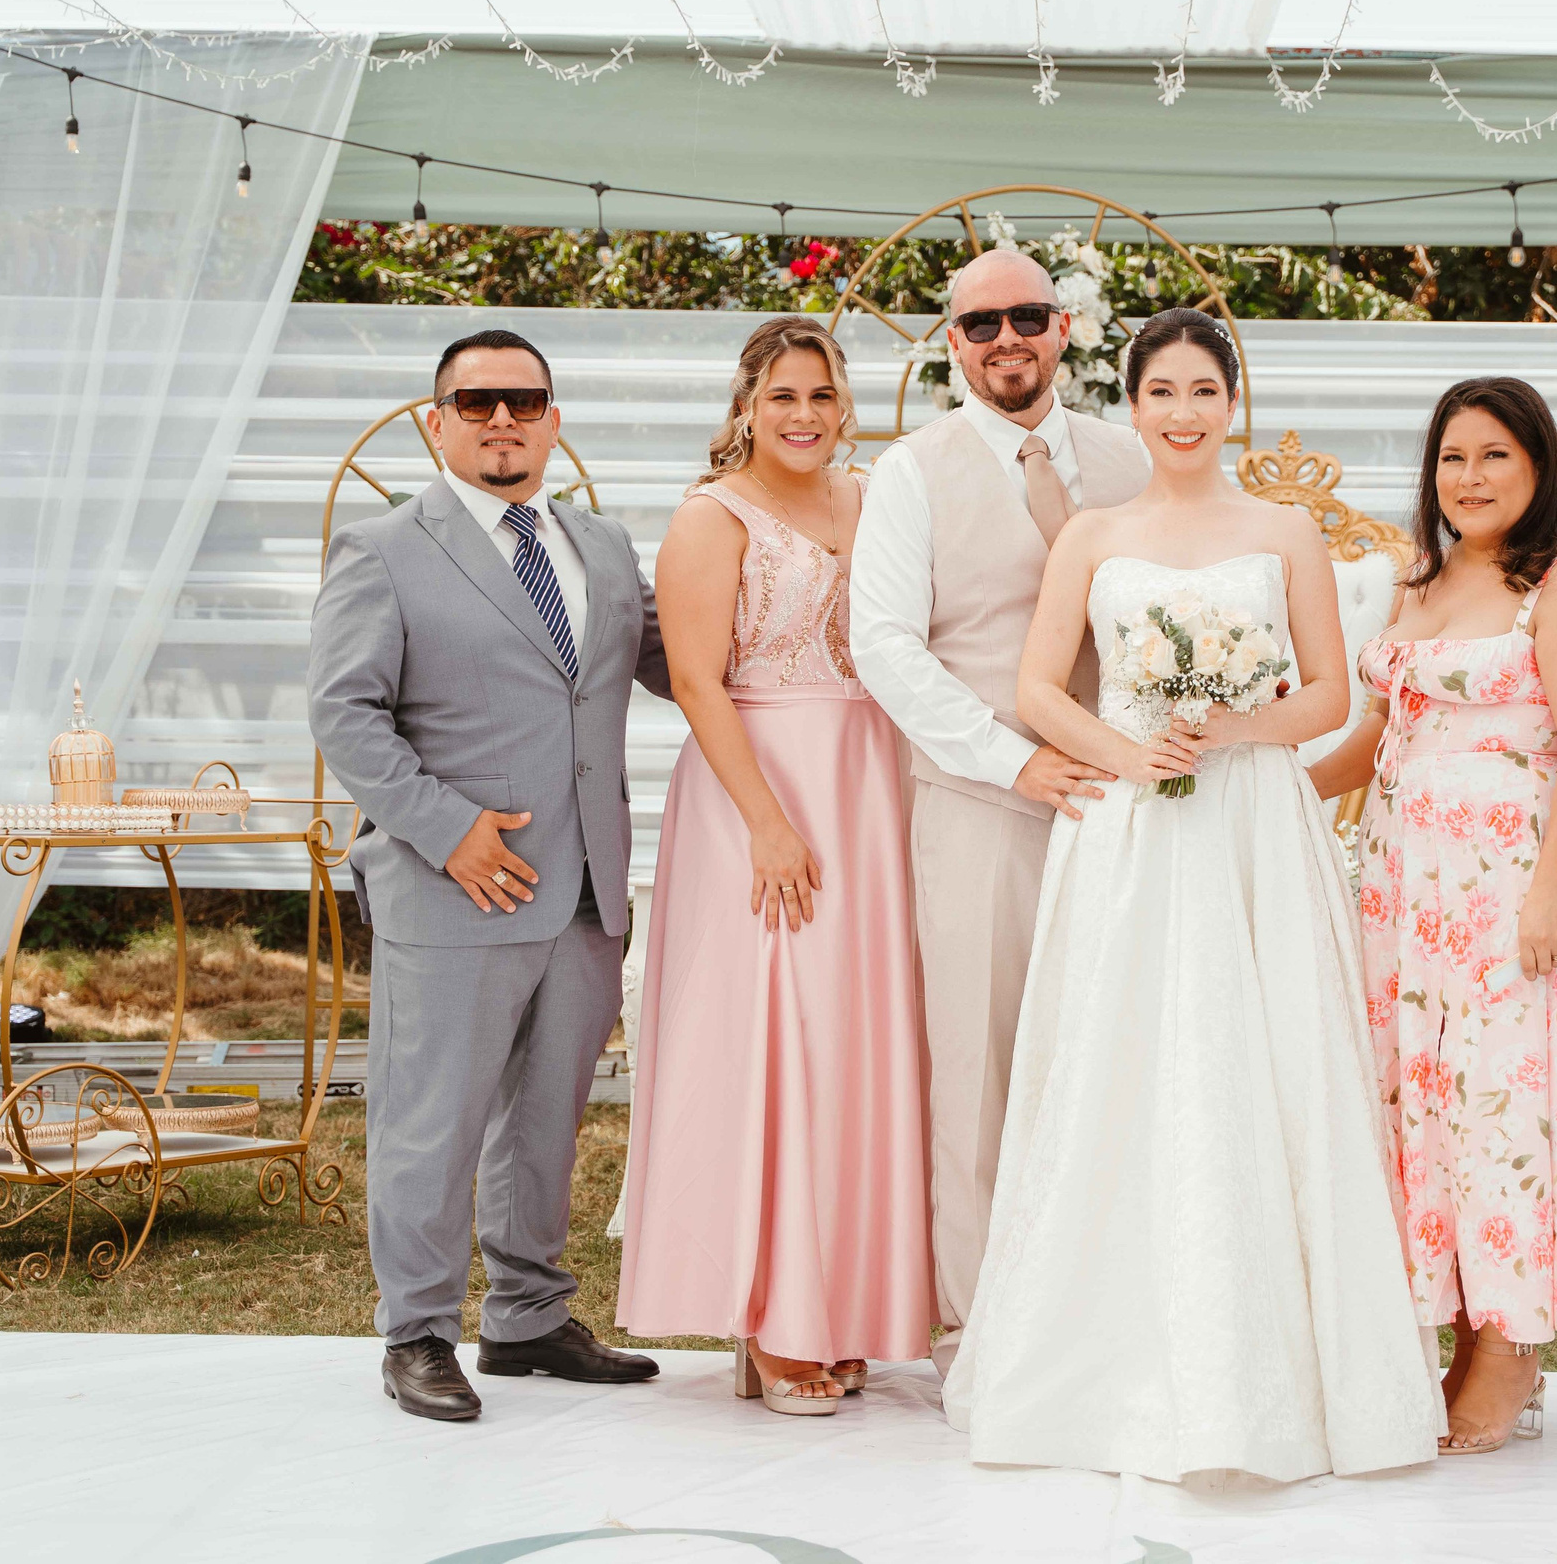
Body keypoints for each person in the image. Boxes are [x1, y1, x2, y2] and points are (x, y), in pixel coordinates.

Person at [942, 309, 1442, 1483]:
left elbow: (1329, 693)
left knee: (1263, 1057)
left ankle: (1294, 1369)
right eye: (1159, 391)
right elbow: (1036, 688)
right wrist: (1128, 752)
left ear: (1233, 402)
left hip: (1252, 823)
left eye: (1202, 391)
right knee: (1124, 1054)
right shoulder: (1095, 535)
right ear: (1131, 404)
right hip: (1130, 828)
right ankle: (1103, 1361)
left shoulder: (1283, 532)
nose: (1181, 412)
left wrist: (1235, 729)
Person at [309, 328, 672, 1422]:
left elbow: (679, 659)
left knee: (546, 1119)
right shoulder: (384, 551)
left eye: (524, 401)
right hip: (456, 883)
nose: (502, 420)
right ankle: (416, 1330)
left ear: (554, 419)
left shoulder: (601, 548)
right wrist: (444, 827)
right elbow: (344, 712)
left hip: (583, 891)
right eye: (477, 404)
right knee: (432, 1118)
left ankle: (525, 1317)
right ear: (439, 421)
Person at [1310, 376, 1557, 1455]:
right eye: (1453, 457)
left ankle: (1510, 1346)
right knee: (1422, 1107)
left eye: (1494, 455)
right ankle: (1448, 1320)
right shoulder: (1422, 579)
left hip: (1507, 886)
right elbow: (1378, 739)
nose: (1471, 477)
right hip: (1407, 891)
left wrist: (1550, 891)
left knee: (1505, 1104)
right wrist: (1261, 781)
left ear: (1537, 465)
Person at [614, 316, 931, 1417]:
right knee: (775, 1044)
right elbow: (697, 681)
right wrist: (767, 821)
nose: (804, 415)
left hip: (869, 781)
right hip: (761, 792)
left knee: (857, 1044)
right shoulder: (711, 519)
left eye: (823, 395)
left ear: (847, 405)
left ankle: (844, 1307)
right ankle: (774, 1319)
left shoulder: (874, 498)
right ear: (746, 405)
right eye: (783, 395)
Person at [848, 247, 1149, 1380]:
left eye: (1027, 317)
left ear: (1065, 327)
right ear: (952, 343)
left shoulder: (1132, 458)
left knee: (1118, 1050)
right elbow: (883, 645)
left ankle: (1108, 1308)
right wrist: (1007, 761)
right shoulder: (911, 473)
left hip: (1131, 806)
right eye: (981, 325)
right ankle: (979, 1333)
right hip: (980, 802)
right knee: (977, 1065)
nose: (1006, 339)